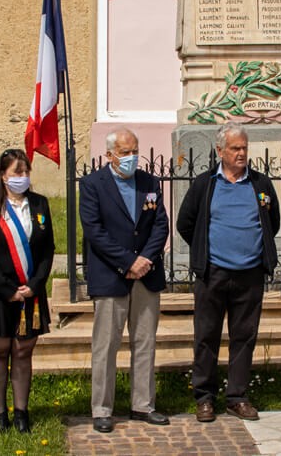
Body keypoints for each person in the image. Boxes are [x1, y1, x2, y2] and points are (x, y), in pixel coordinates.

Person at [177, 122, 280, 423]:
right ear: (220, 151)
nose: (241, 153)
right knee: (206, 336)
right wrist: (205, 251)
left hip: (250, 274)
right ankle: (204, 398)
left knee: (244, 337)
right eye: (235, 148)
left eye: (244, 148)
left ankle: (237, 396)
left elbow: (272, 222)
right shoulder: (204, 184)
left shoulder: (260, 184)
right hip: (213, 274)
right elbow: (186, 223)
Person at [80, 128, 171, 433]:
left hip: (147, 275)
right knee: (106, 345)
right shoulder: (93, 185)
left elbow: (160, 224)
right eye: (124, 152)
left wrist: (143, 260)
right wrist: (127, 261)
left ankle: (143, 405)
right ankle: (102, 408)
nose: (131, 157)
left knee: (145, 342)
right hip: (111, 276)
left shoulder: (149, 182)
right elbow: (94, 231)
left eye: (135, 151)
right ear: (109, 155)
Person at [0, 148, 55, 434]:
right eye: (18, 172)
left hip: (30, 292)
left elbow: (47, 249)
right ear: (3, 175)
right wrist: (8, 290)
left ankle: (21, 413)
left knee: (23, 351)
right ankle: (0, 415)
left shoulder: (39, 204)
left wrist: (36, 284)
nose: (23, 177)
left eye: (27, 172)